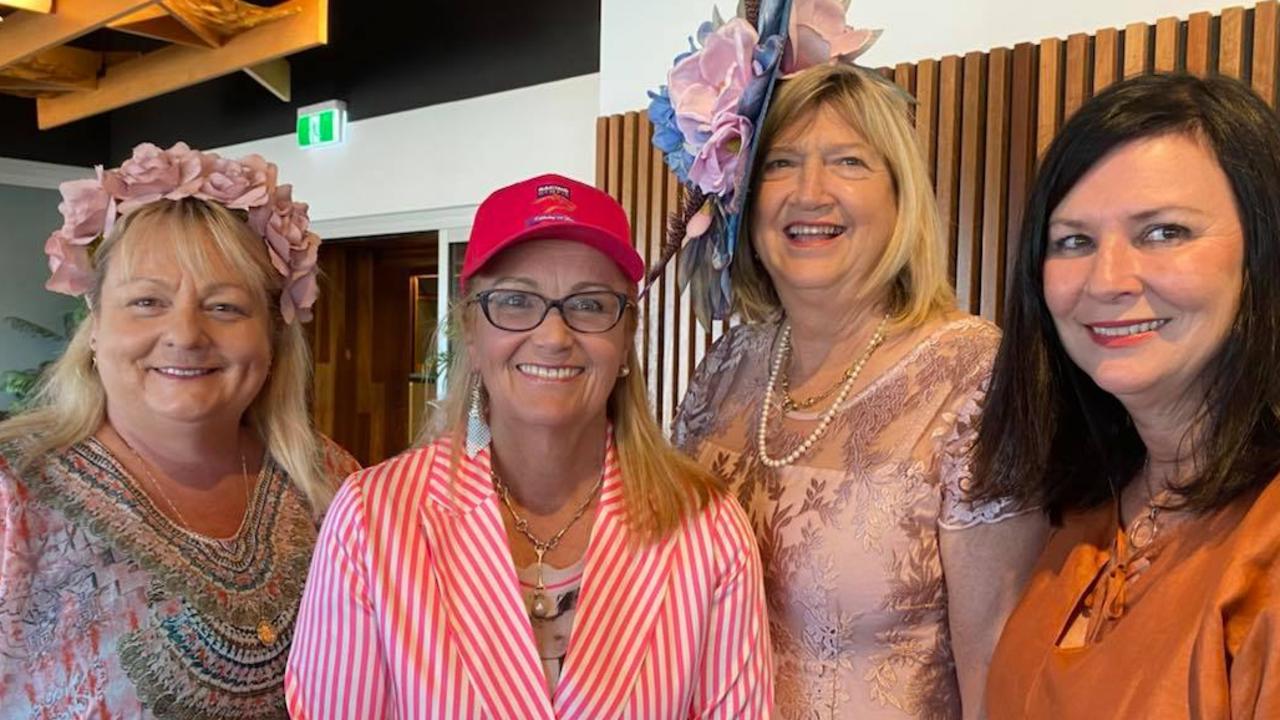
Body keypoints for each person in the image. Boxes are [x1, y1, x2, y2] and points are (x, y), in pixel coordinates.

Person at [649, 2, 1047, 717]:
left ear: (900, 198)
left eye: (848, 162)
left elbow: (1001, 670)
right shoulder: (727, 368)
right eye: (781, 164)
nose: (810, 193)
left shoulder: (970, 377)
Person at [285, 173, 772, 719]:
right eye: (516, 300)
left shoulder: (707, 530)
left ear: (625, 336)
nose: (553, 335)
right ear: (472, 328)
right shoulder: (371, 520)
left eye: (589, 305)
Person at [0, 142, 359, 718]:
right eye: (147, 301)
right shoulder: (13, 496)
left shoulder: (335, 484)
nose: (186, 334)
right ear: (93, 328)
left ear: (272, 335)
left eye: (224, 307)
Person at [975, 73, 1280, 719]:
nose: (1107, 279)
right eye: (1074, 241)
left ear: (1263, 252)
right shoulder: (1083, 507)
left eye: (1164, 232)